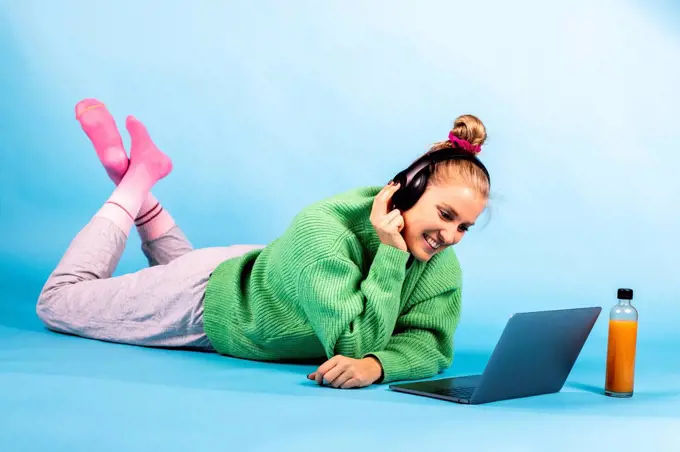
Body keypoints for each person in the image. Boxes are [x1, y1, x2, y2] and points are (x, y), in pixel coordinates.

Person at [36, 98, 491, 389]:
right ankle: (134, 184)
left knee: (179, 269)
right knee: (59, 302)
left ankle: (138, 176)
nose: (450, 237)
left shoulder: (437, 260)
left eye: (464, 227)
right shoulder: (324, 232)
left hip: (258, 285)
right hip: (206, 303)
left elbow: (431, 344)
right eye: (446, 215)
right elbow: (352, 343)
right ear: (403, 193)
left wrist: (378, 366)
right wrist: (389, 256)